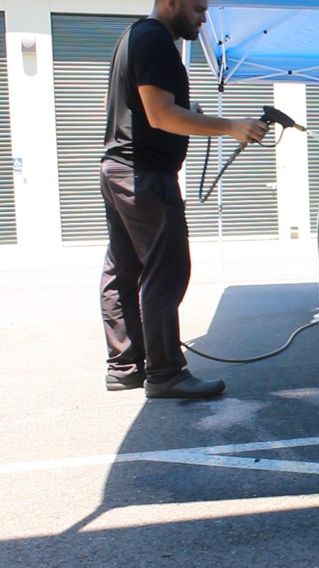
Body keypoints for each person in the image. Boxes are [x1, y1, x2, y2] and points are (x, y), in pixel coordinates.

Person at [100, 0, 268, 398]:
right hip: (145, 177)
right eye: (197, 8)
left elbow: (151, 111)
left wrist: (187, 112)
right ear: (171, 2)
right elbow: (160, 116)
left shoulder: (136, 35)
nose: (204, 18)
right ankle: (165, 374)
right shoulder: (155, 39)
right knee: (165, 271)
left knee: (123, 270)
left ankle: (125, 366)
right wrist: (230, 126)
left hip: (120, 170)